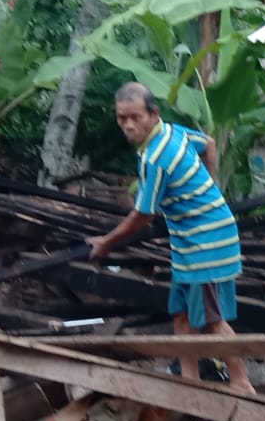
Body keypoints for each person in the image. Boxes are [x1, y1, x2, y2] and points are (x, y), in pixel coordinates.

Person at [89, 82, 253, 393]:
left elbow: (143, 214)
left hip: (206, 240)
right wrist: (208, 185)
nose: (128, 125)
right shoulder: (172, 131)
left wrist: (107, 242)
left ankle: (241, 382)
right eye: (122, 118)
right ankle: (189, 383)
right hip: (191, 240)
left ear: (153, 114)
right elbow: (209, 144)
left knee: (212, 319)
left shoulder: (155, 158)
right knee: (181, 314)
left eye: (135, 117)